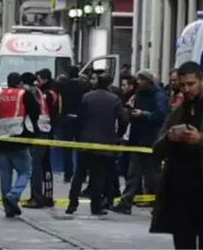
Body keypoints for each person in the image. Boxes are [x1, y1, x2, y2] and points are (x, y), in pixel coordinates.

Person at [150, 61, 203, 250]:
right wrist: (170, 138)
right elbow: (156, 151)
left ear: (201, 80)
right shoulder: (177, 112)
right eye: (182, 85)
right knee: (183, 243)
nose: (186, 89)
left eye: (191, 84)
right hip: (179, 192)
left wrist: (201, 139)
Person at [66, 72, 129, 215]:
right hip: (105, 142)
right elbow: (124, 119)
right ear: (109, 84)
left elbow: (80, 118)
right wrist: (118, 135)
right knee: (99, 175)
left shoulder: (87, 97)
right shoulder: (115, 99)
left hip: (86, 141)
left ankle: (72, 203)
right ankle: (95, 206)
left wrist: (79, 135)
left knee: (79, 174)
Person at [112, 68, 168, 214]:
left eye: (142, 79)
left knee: (153, 175)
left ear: (149, 81)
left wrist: (144, 114)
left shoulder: (159, 96)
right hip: (137, 139)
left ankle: (160, 204)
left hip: (151, 140)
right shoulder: (138, 94)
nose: (139, 82)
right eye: (139, 79)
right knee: (133, 173)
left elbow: (161, 116)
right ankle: (126, 203)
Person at [0, 72, 38, 217]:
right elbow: (35, 112)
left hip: (0, 139)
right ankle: (14, 195)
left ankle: (8, 206)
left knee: (5, 174)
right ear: (20, 82)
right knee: (26, 170)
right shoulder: (24, 94)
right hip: (18, 138)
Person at [24, 69, 57, 208]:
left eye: (38, 80)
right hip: (48, 131)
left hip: (41, 132)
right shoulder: (53, 93)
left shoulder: (44, 95)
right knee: (45, 165)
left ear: (45, 80)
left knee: (37, 166)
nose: (36, 83)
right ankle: (48, 197)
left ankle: (37, 197)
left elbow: (41, 113)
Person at [59, 66, 89, 182]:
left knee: (67, 149)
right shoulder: (84, 87)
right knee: (81, 148)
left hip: (67, 119)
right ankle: (81, 174)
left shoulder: (64, 87)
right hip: (80, 120)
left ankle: (68, 174)